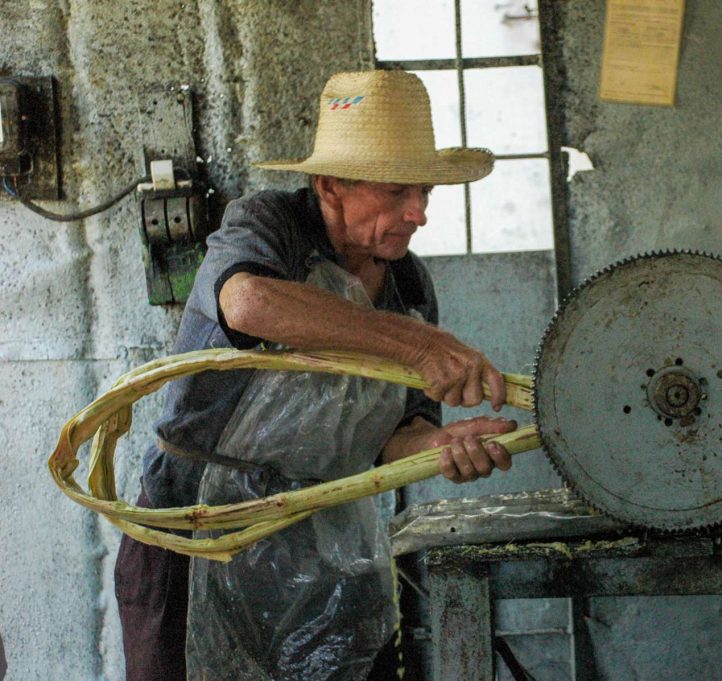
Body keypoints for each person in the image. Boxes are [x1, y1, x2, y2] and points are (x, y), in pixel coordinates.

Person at [114, 69, 517, 681]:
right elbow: (246, 302)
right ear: (331, 185)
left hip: (325, 549)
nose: (419, 213)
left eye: (426, 193)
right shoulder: (270, 224)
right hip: (197, 534)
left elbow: (393, 436)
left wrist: (440, 447)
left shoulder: (409, 285)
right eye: (396, 193)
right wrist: (417, 344)